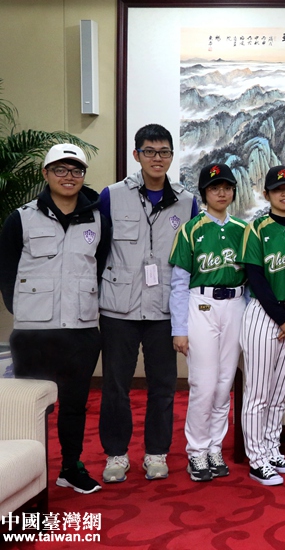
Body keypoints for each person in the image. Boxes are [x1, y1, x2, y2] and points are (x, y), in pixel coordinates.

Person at [0, 143, 111, 494]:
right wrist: (25, 311)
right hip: (33, 334)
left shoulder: (98, 219)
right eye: (60, 169)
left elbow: (99, 267)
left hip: (80, 330)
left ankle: (70, 467)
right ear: (45, 174)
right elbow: (7, 270)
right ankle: (28, 474)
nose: (68, 176)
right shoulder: (21, 218)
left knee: (74, 405)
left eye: (76, 170)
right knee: (31, 407)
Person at [99, 124, 198, 483]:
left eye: (164, 152)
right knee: (115, 385)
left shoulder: (186, 202)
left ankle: (156, 453)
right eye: (150, 151)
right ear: (136, 155)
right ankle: (116, 455)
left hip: (163, 309)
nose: (157, 158)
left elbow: (191, 258)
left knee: (163, 386)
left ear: (171, 156)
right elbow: (97, 249)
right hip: (118, 308)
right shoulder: (111, 196)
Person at [169, 163, 247, 482]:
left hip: (236, 305)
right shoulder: (190, 230)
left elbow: (252, 280)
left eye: (227, 187)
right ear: (204, 193)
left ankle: (215, 447)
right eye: (215, 187)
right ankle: (197, 451)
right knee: (204, 383)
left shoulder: (244, 230)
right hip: (201, 304)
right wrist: (179, 329)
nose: (221, 192)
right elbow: (178, 283)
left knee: (224, 383)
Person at [239, 165, 285, 486]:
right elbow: (255, 277)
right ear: (266, 194)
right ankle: (256, 459)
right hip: (263, 314)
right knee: (258, 393)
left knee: (280, 394)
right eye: (278, 189)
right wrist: (283, 319)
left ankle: (272, 450)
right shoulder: (256, 229)